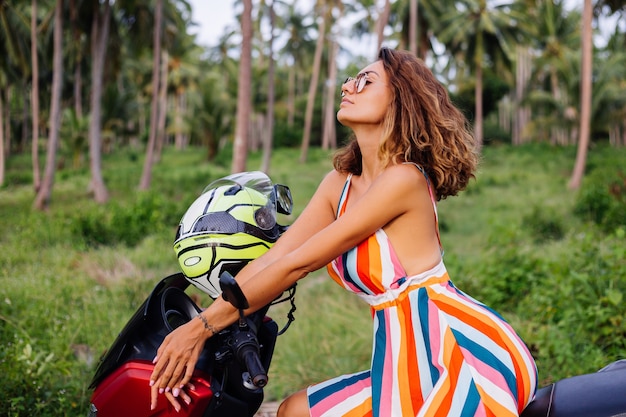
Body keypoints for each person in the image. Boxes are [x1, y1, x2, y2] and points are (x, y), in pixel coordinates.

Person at [150, 47, 538, 416]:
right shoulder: (341, 183)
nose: (347, 86)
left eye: (365, 81)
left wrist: (203, 327)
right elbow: (278, 255)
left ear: (400, 100)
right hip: (399, 360)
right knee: (293, 411)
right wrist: (208, 313)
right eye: (351, 79)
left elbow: (301, 263)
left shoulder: (404, 179)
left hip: (451, 353)